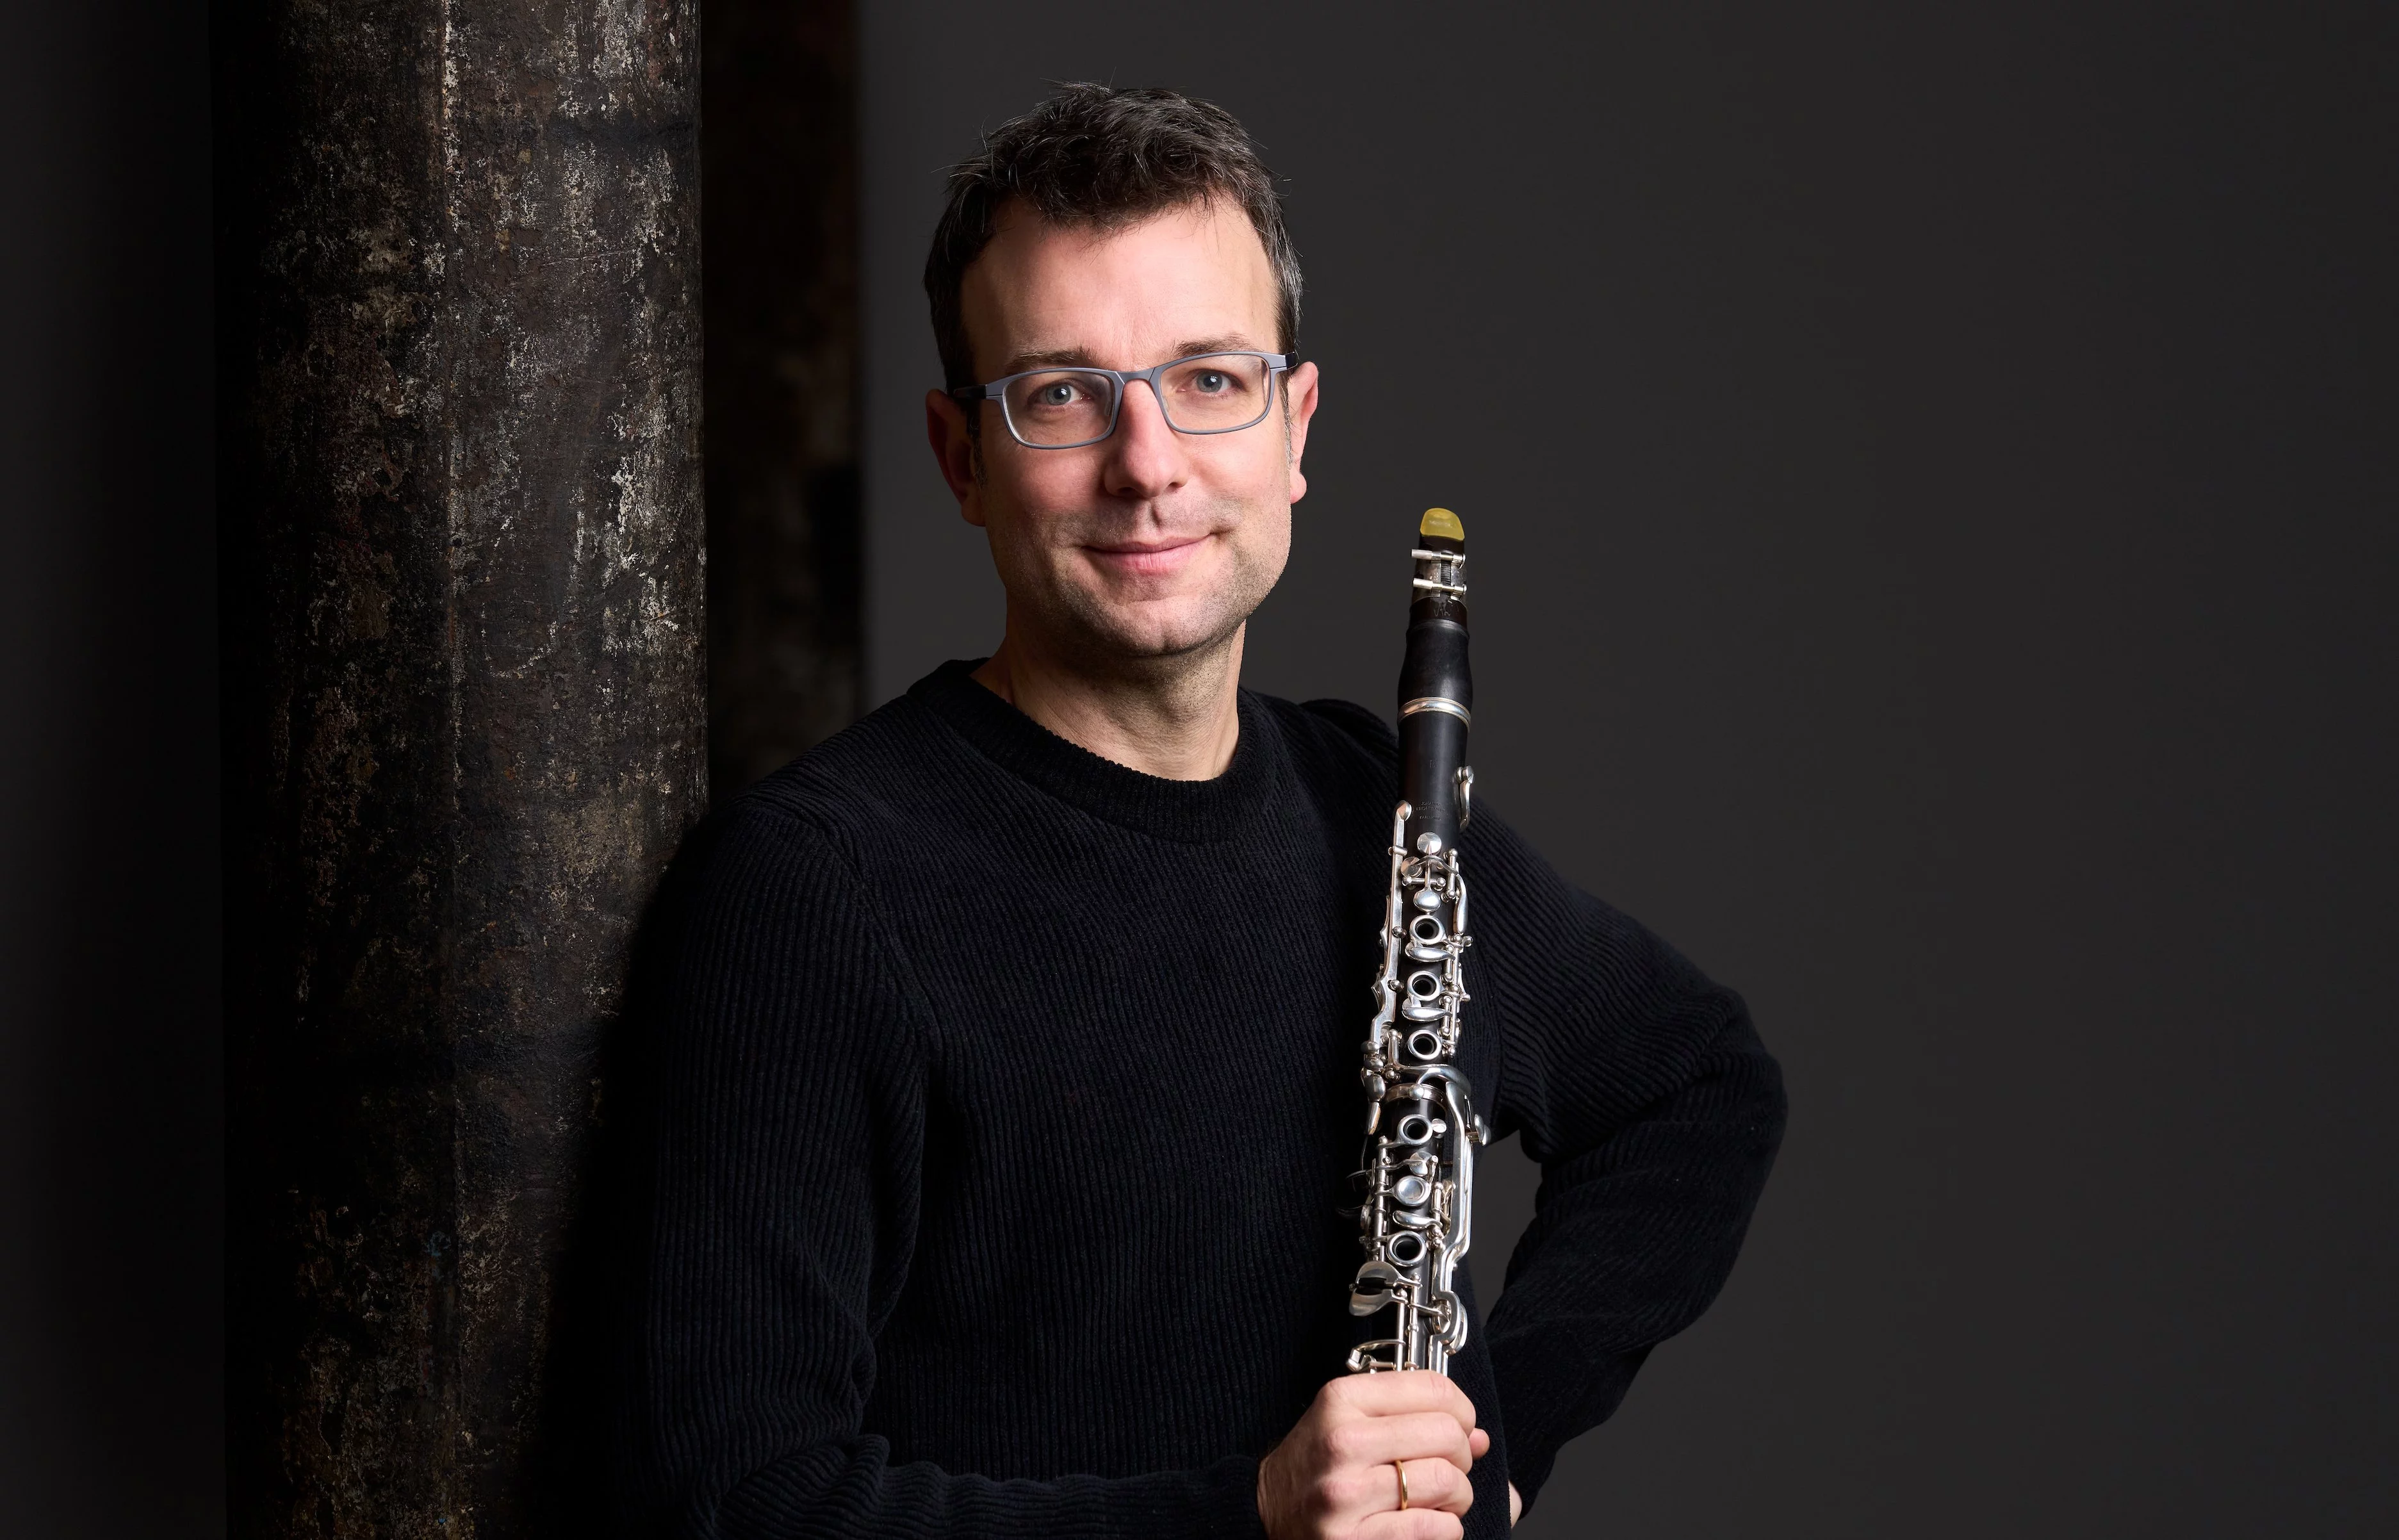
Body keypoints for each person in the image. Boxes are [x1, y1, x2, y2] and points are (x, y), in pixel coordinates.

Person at [610, 84, 1785, 1540]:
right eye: (1061, 394)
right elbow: (739, 1503)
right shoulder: (816, 891)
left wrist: (1484, 1433)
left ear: (1294, 427)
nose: (1149, 465)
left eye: (1210, 381)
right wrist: (1250, 1513)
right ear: (962, 457)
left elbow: (1703, 1083)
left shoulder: (1375, 809)